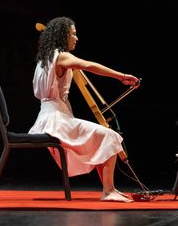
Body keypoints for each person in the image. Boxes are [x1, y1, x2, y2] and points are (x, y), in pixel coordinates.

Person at [28, 16, 139, 202]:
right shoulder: (61, 56)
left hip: (46, 117)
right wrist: (121, 76)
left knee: (101, 139)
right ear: (63, 36)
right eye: (73, 34)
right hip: (57, 120)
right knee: (110, 136)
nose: (76, 38)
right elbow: (88, 65)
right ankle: (108, 191)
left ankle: (109, 188)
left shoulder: (45, 59)